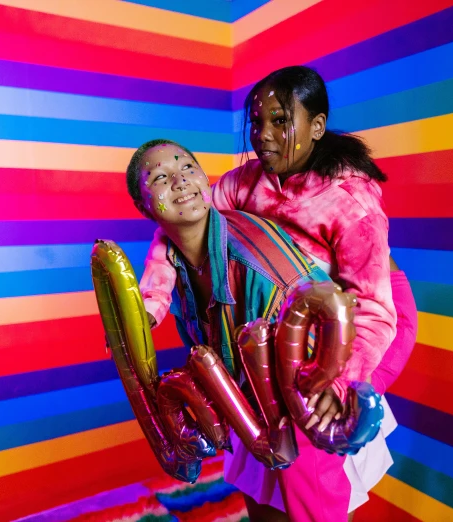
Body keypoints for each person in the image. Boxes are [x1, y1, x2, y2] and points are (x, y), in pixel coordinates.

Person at [135, 66, 418, 521]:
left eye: (281, 121)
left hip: (372, 311)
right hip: (288, 323)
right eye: (257, 121)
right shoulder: (243, 183)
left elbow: (374, 307)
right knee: (262, 461)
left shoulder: (349, 197)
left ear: (317, 127)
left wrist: (343, 380)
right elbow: (183, 224)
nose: (263, 135)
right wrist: (151, 301)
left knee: (313, 432)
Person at [127, 139, 359, 522]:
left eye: (187, 168)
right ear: (144, 206)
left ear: (205, 178)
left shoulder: (260, 267)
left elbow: (327, 334)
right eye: (161, 178)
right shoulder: (172, 258)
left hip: (310, 400)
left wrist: (328, 397)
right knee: (263, 508)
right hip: (253, 404)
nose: (181, 181)